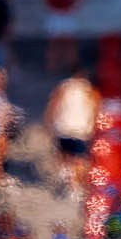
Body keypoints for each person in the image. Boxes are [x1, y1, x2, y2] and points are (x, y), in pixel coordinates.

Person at [46, 68, 99, 196]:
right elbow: (96, 107)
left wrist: (49, 121)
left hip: (63, 127)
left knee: (65, 157)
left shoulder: (63, 86)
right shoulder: (90, 89)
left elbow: (53, 104)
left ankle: (68, 182)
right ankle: (75, 186)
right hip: (81, 129)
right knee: (78, 160)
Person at [43, 0, 82, 71]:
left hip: (67, 16)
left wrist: (72, 7)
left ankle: (72, 67)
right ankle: (52, 67)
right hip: (55, 15)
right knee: (54, 43)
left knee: (69, 43)